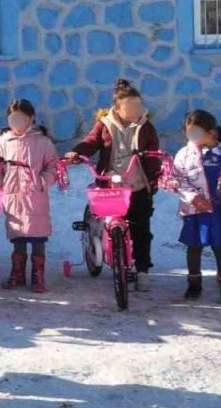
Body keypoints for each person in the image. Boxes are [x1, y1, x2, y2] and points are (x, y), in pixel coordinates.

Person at [65, 79, 162, 291]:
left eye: (138, 105)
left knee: (141, 230)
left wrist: (155, 178)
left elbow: (154, 155)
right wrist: (77, 152)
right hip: (110, 187)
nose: (136, 110)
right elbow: (91, 142)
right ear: (117, 108)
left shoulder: (146, 127)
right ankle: (102, 250)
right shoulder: (105, 124)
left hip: (137, 185)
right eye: (130, 106)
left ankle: (143, 270)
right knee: (108, 223)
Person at [167, 109, 221, 305]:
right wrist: (193, 198)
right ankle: (194, 285)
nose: (192, 137)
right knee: (193, 247)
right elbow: (175, 181)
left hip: (219, 211)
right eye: (189, 133)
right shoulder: (184, 155)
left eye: (196, 133)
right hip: (194, 210)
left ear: (212, 132)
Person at [0, 100, 60, 293]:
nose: (17, 123)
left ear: (31, 118)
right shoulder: (3, 142)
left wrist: (42, 181)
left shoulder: (42, 142)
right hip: (12, 195)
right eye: (13, 119)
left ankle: (38, 275)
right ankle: (17, 273)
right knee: (18, 235)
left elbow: (53, 166)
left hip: (36, 195)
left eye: (21, 119)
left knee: (38, 235)